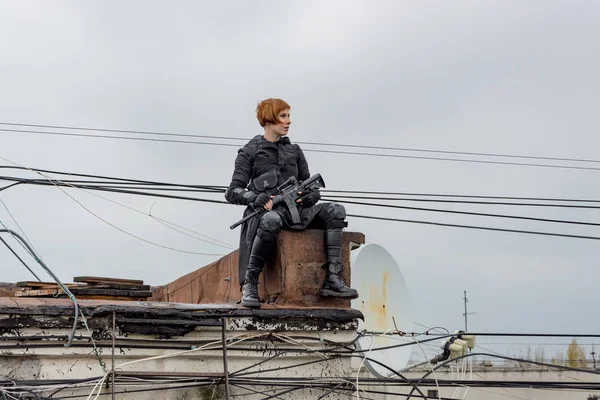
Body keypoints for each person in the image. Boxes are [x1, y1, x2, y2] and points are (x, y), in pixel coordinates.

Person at [225, 98, 359, 308]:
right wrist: (255, 198)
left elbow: (312, 187)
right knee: (270, 220)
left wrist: (309, 197)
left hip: (299, 211)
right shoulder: (249, 152)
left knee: (336, 210)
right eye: (283, 116)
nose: (288, 121)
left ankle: (332, 278)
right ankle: (250, 284)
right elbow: (233, 191)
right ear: (269, 119)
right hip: (269, 215)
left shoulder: (294, 151)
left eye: (288, 116)